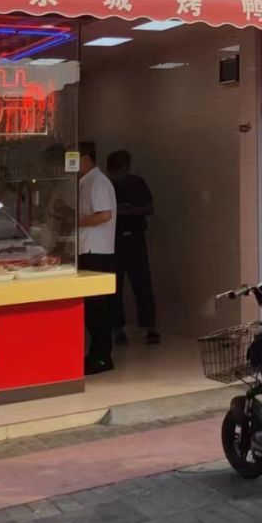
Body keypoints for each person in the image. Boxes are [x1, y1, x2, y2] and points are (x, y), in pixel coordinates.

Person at [107, 150, 159, 346]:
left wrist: (132, 210)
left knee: (141, 283)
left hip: (132, 236)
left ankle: (148, 326)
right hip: (116, 238)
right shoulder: (108, 185)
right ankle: (119, 328)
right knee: (117, 286)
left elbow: (149, 208)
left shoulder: (136, 183)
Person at [75, 143, 117, 375]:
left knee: (97, 308)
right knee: (92, 308)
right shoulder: (86, 182)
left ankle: (102, 357)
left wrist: (76, 222)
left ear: (86, 158)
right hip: (88, 249)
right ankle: (96, 354)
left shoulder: (97, 181)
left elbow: (104, 215)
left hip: (97, 251)